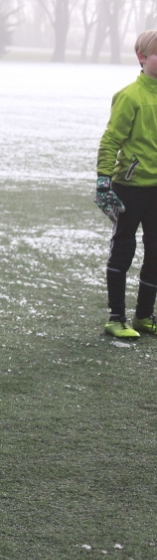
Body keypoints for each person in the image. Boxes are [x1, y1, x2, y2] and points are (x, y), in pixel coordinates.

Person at [95, 29, 157, 339]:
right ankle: (116, 318)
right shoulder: (130, 96)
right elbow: (111, 141)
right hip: (130, 189)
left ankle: (144, 316)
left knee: (155, 252)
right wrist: (103, 182)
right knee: (124, 249)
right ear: (142, 58)